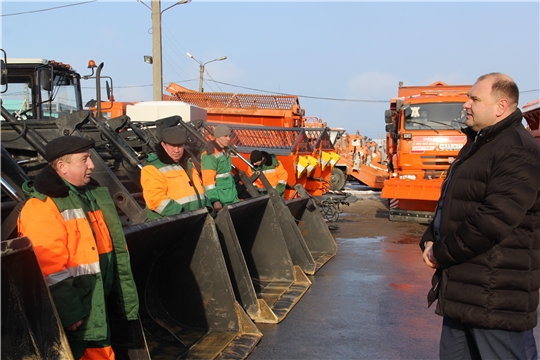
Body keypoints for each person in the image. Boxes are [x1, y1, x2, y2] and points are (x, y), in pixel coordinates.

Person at [420, 73, 540, 359]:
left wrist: (440, 252)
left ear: (500, 106)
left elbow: (492, 220)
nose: (466, 105)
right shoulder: (479, 145)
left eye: (474, 98)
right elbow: (452, 203)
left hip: (495, 299)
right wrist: (429, 237)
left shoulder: (517, 150)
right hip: (463, 293)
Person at [17, 136, 139, 359]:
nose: (92, 165)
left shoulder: (90, 196)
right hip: (80, 311)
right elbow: (48, 266)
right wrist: (69, 310)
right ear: (62, 167)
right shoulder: (42, 207)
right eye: (84, 160)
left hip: (96, 303)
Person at [141, 126, 211, 220]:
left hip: (194, 220)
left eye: (180, 146)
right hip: (171, 226)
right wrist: (183, 215)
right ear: (163, 145)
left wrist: (209, 208)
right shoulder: (151, 168)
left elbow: (200, 189)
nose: (177, 150)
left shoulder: (188, 163)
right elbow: (156, 200)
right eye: (173, 146)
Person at [201, 124, 239, 214]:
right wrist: (215, 201)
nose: (229, 139)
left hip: (230, 197)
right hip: (221, 200)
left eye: (229, 136)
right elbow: (208, 181)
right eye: (225, 136)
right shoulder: (209, 155)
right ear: (217, 137)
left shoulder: (224, 151)